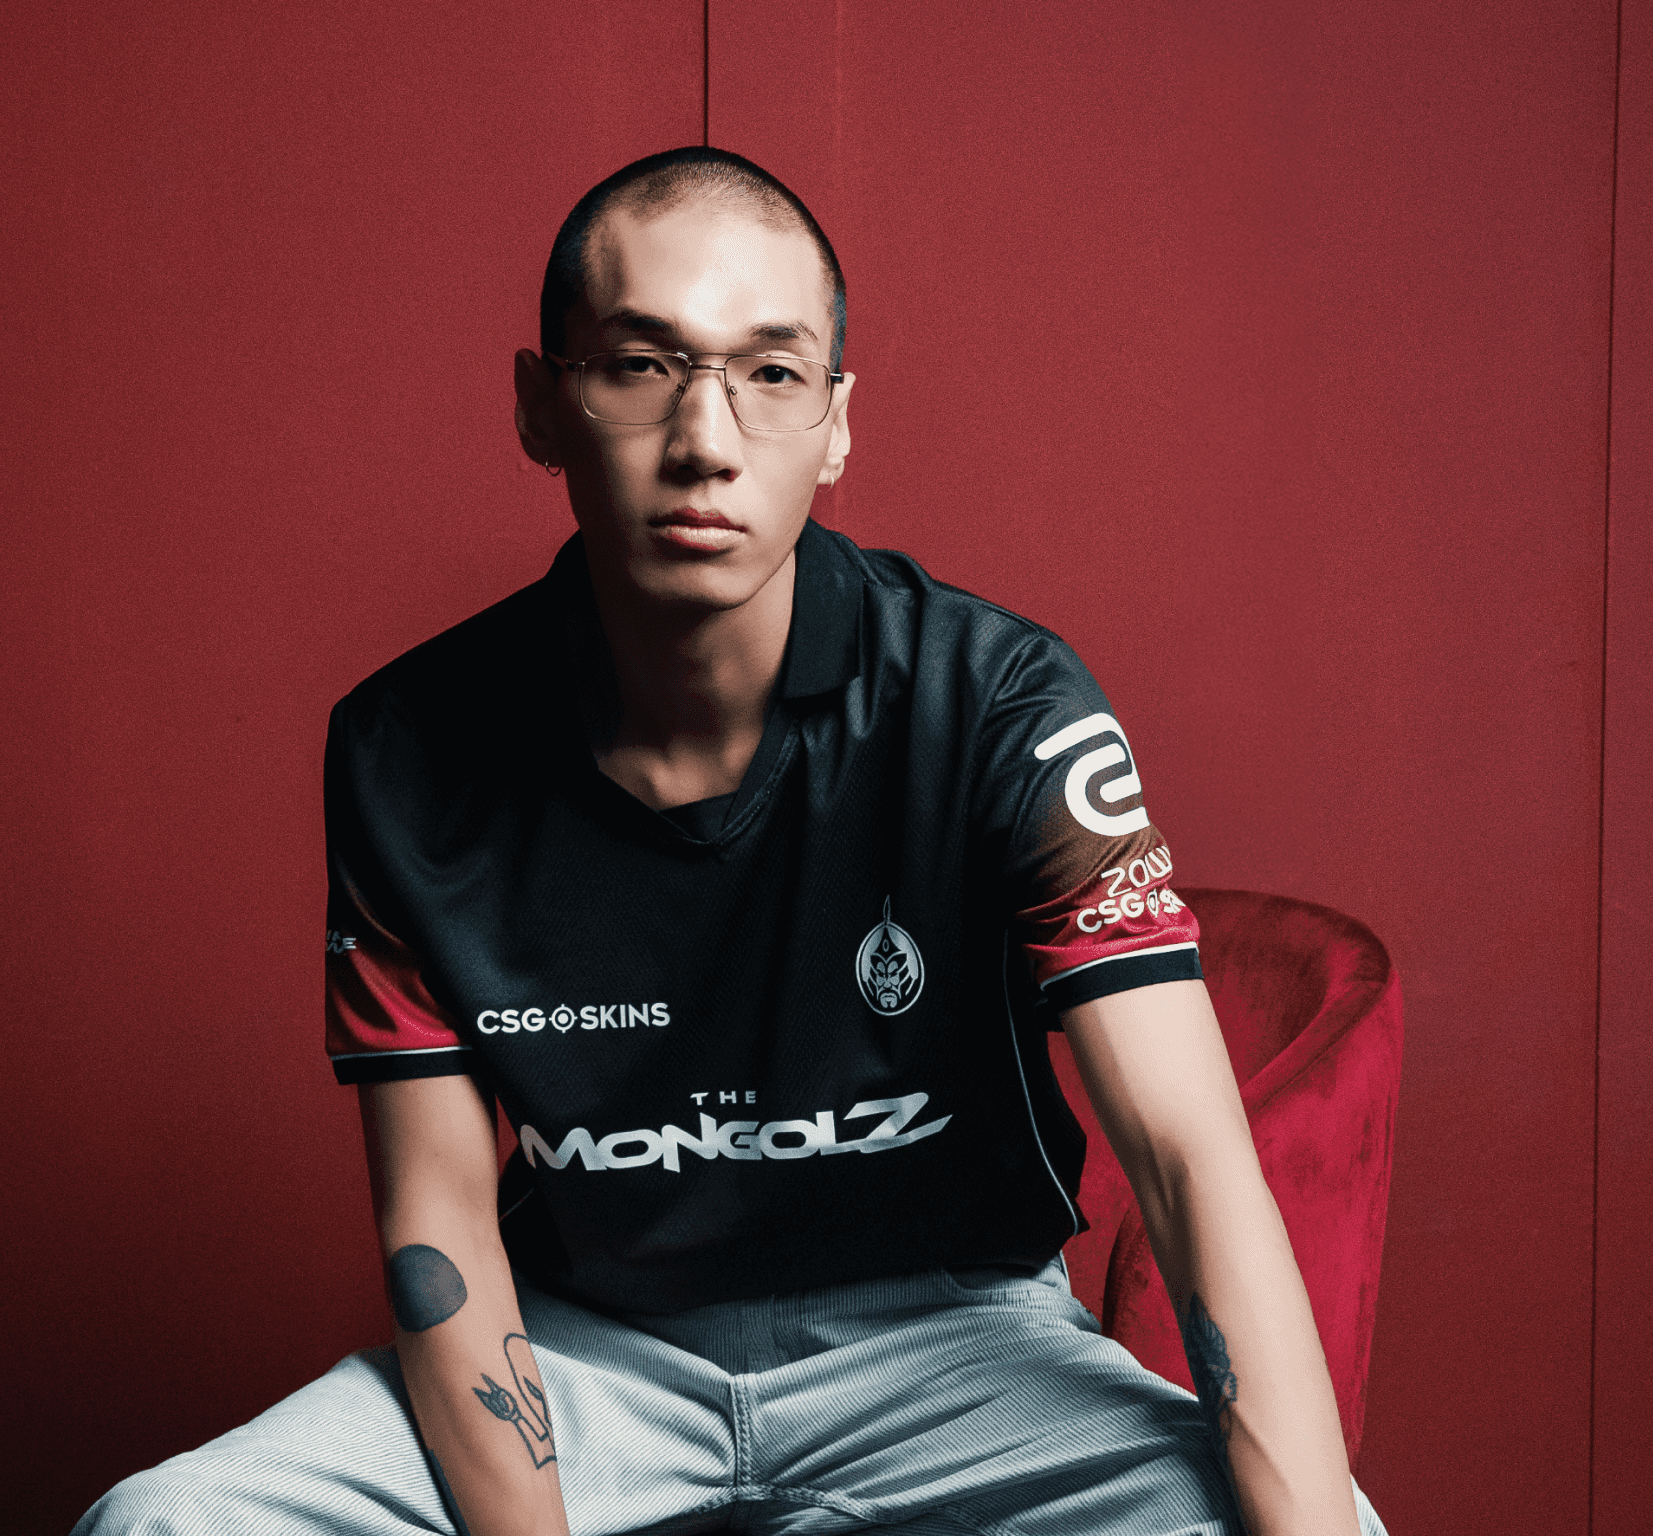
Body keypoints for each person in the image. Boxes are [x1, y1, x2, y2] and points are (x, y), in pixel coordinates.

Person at [76, 146, 1388, 1536]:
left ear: (835, 423)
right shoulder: (407, 747)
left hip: (951, 1350)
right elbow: (441, 1229)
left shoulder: (996, 702)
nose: (706, 438)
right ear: (540, 404)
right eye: (642, 365)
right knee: (165, 1526)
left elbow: (1188, 1162)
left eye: (770, 373)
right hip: (590, 1352)